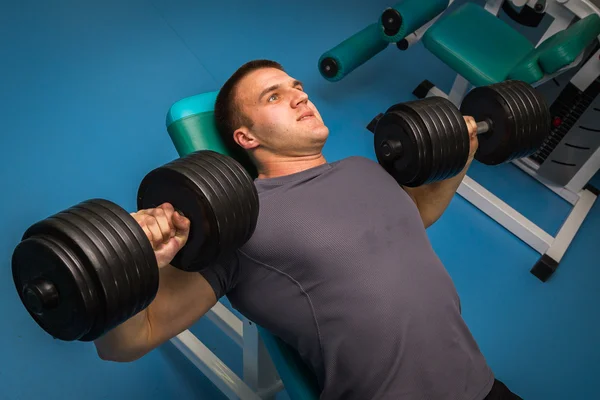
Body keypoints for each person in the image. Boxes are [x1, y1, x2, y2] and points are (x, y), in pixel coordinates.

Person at [94, 60, 522, 400]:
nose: (299, 97)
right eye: (274, 96)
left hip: (483, 384)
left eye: (297, 87)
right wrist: (134, 260)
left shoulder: (362, 169)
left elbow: (414, 213)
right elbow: (130, 340)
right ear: (245, 137)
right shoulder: (238, 222)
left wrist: (461, 156)